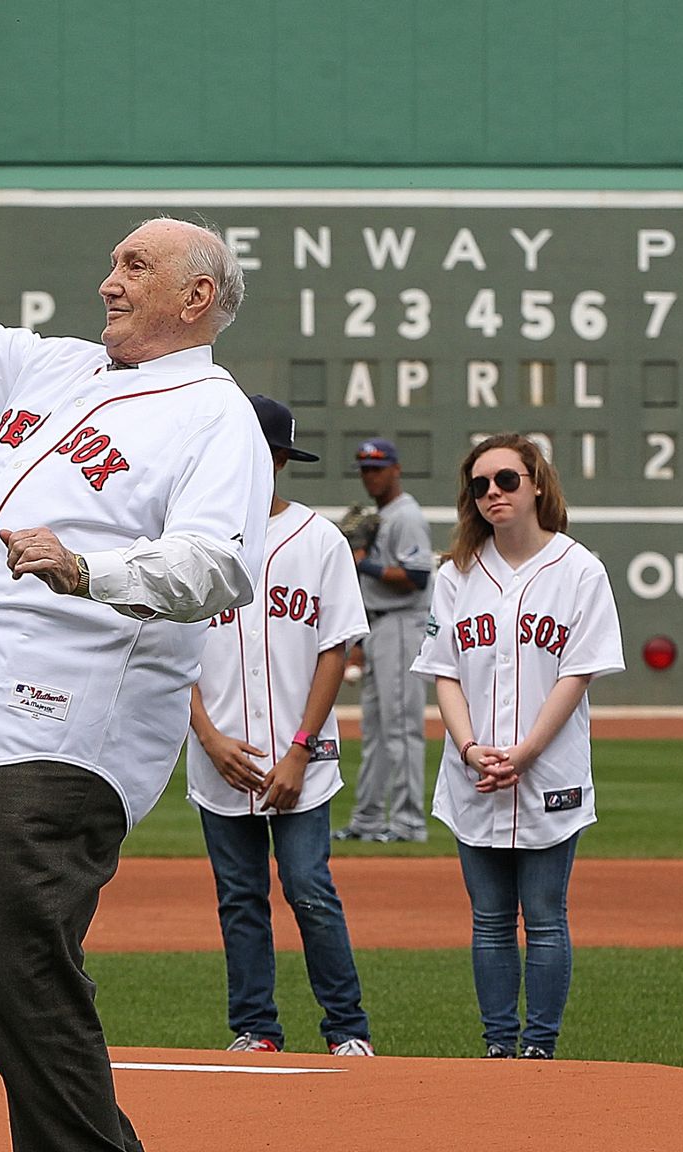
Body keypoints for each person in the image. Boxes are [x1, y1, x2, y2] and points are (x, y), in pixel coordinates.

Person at [0, 64, 271, 1152]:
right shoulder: (53, 370)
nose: (108, 279)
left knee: (16, 959)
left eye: (133, 264)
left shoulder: (211, 415)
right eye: (111, 260)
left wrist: (93, 570)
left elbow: (220, 565)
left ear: (196, 297)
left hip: (63, 728)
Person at [410, 434, 622, 1060]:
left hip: (548, 767)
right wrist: (472, 747)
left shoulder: (579, 569)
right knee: (490, 920)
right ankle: (499, 1046)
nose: (492, 494)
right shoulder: (456, 575)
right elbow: (442, 671)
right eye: (479, 486)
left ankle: (539, 1048)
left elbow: (576, 673)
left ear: (535, 483)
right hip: (472, 769)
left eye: (505, 480)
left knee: (546, 916)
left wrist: (525, 752)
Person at [187, 394, 374, 1058]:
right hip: (220, 755)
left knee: (308, 889)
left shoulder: (318, 539)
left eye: (270, 455)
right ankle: (256, 1028)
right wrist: (207, 737)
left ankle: (347, 1028)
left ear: (279, 461)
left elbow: (337, 647)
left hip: (304, 758)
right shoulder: (193, 540)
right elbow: (165, 650)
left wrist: (298, 749)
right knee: (240, 899)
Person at [335, 437, 434, 844]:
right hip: (378, 624)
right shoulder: (383, 514)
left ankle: (409, 823)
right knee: (374, 731)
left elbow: (417, 577)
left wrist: (365, 563)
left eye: (377, 467)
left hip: (402, 623)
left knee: (401, 728)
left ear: (395, 468)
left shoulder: (406, 515)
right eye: (364, 468)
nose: (369, 476)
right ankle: (369, 819)